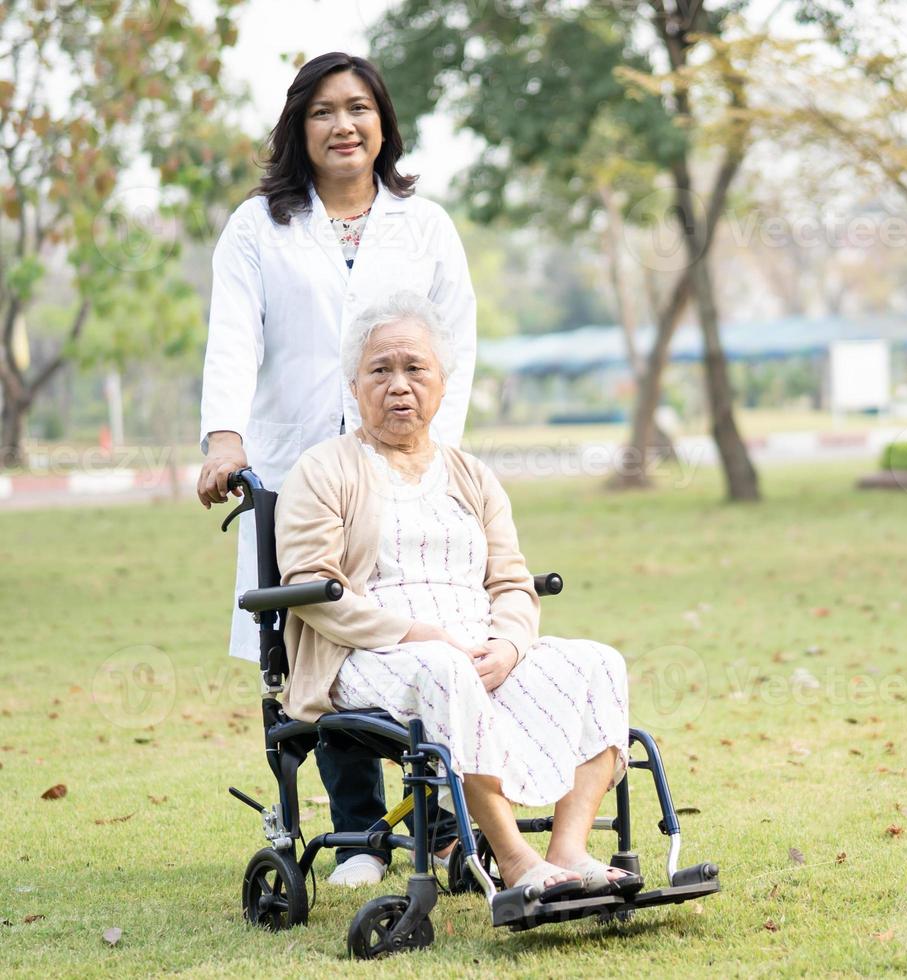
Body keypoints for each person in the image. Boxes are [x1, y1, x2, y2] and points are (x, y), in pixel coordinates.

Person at [197, 52, 474, 886]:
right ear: (299, 128)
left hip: (405, 468)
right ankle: (357, 835)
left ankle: (445, 822)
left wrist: (437, 449)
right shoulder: (259, 226)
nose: (343, 125)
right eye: (323, 111)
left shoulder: (425, 225)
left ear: (383, 123)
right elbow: (233, 337)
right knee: (318, 633)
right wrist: (223, 438)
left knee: (415, 619)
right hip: (294, 469)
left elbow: (454, 345)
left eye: (358, 108)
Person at [274, 292, 639, 898]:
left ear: (442, 383)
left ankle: (569, 850)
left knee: (599, 661)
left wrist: (510, 646)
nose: (398, 386)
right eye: (380, 370)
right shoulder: (324, 469)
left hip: (478, 652)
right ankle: (516, 860)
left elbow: (511, 583)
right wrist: (420, 634)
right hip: (372, 656)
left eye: (415, 369)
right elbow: (312, 589)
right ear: (353, 384)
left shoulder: (472, 475)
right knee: (446, 669)